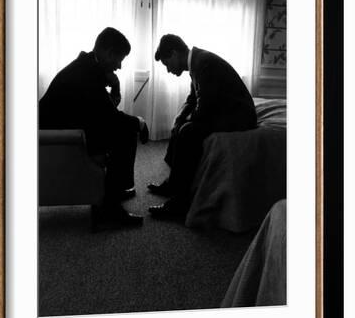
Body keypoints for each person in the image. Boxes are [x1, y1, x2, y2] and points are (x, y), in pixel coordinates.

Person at [39, 27, 149, 228]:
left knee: (123, 127)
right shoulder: (87, 75)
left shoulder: (88, 66)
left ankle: (115, 191)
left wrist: (115, 87)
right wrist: (140, 123)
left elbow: (104, 110)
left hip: (70, 127)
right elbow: (110, 117)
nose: (120, 66)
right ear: (108, 53)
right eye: (119, 59)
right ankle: (109, 211)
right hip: (58, 138)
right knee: (126, 131)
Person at [148, 34, 257, 219]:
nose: (168, 70)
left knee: (188, 132)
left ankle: (179, 204)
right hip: (224, 109)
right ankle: (173, 184)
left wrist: (186, 122)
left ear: (174, 54)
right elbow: (193, 99)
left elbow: (205, 106)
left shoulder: (204, 63)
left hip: (239, 116)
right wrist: (179, 118)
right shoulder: (197, 62)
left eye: (167, 64)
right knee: (180, 126)